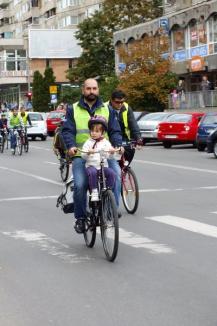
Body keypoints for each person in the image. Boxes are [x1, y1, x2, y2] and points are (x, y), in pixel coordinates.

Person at [61, 78, 122, 234]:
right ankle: (80, 218)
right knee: (80, 184)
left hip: (103, 153)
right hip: (82, 154)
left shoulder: (107, 108)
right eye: (88, 88)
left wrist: (116, 145)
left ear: (98, 90)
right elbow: (67, 131)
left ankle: (111, 210)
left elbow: (115, 130)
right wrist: (71, 147)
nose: (91, 91)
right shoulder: (73, 108)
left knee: (117, 176)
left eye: (94, 88)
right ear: (83, 90)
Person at [106, 89, 143, 208]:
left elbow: (133, 124)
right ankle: (111, 186)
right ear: (111, 100)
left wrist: (138, 138)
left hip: (124, 138)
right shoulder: (105, 108)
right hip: (110, 140)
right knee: (113, 167)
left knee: (129, 152)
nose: (120, 104)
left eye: (122, 102)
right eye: (117, 102)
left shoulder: (126, 108)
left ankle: (124, 169)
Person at [81, 116, 117, 201]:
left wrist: (112, 152)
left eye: (97, 131)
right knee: (92, 173)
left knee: (111, 173)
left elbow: (110, 157)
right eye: (92, 131)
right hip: (91, 166)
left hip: (102, 167)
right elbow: (83, 155)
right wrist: (88, 152)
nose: (93, 133)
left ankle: (108, 191)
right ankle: (94, 191)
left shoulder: (105, 142)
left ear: (103, 132)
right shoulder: (88, 142)